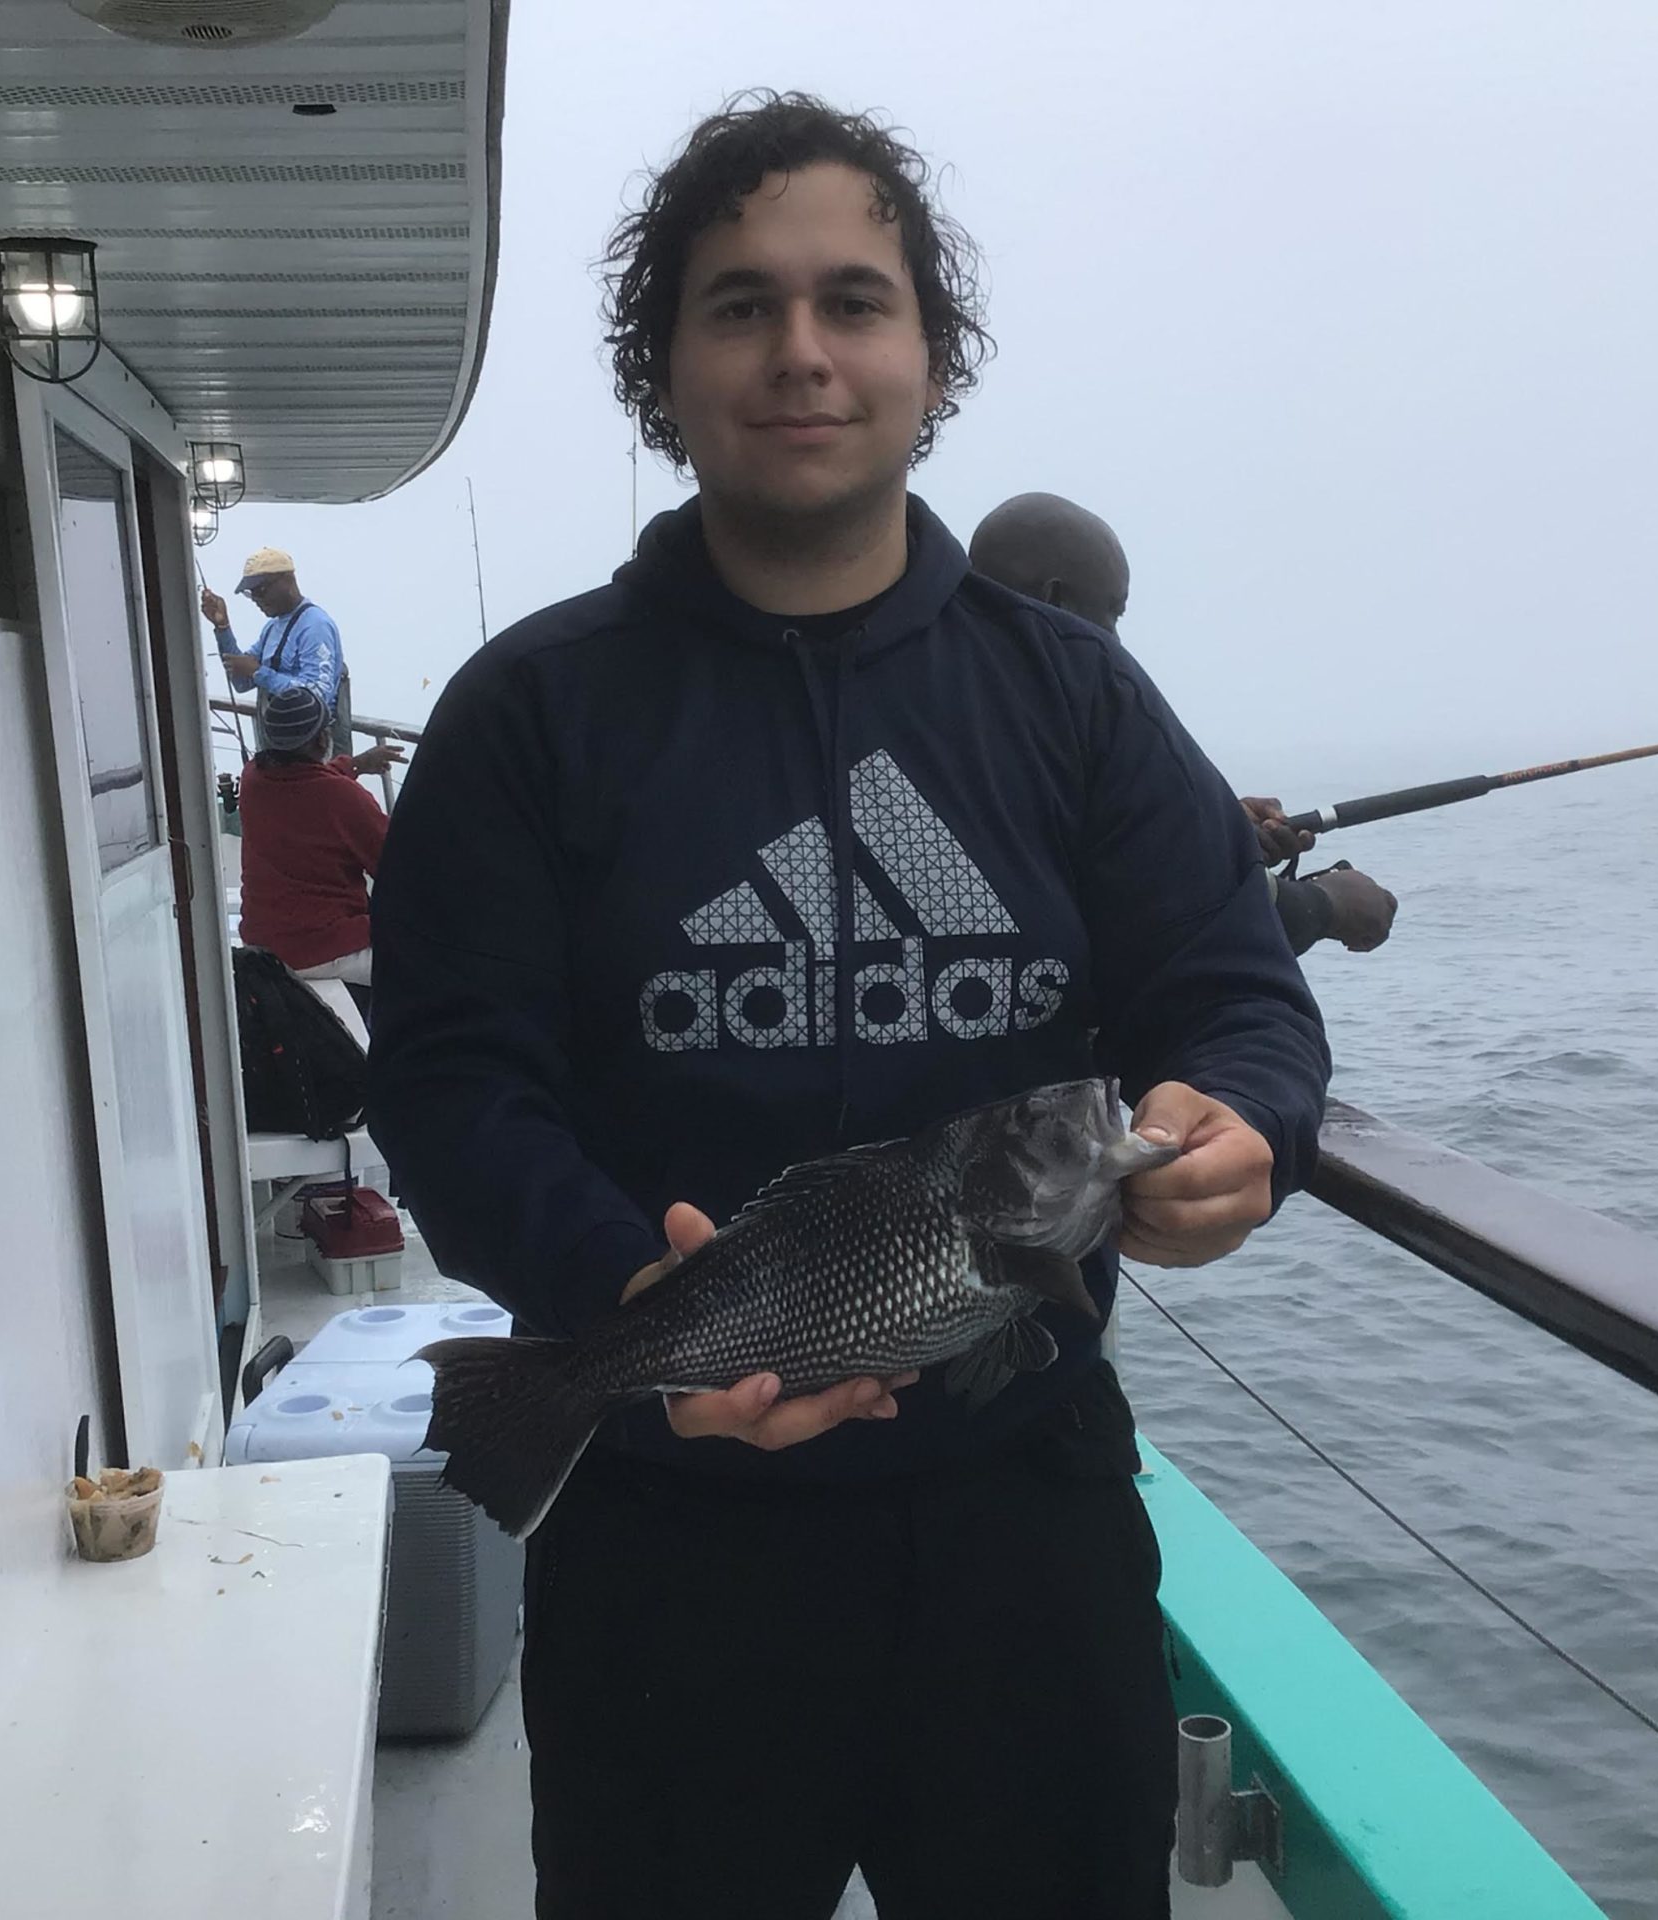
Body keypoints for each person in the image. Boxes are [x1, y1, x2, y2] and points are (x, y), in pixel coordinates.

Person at [370, 93, 1330, 1920]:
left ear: (928, 359)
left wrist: (1246, 1125)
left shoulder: (1073, 701)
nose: (800, 352)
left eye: (853, 303)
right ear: (665, 369)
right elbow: (449, 1080)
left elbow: (1235, 996)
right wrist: (613, 1287)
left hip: (1024, 1516)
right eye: (741, 305)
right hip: (665, 1542)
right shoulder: (530, 715)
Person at [969, 491, 1399, 957]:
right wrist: (1329, 903)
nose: (1115, 643)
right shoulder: (1036, 740)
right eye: (1112, 612)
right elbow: (1172, 913)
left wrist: (1212, 826)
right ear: (1054, 601)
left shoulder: (957, 718)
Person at [237, 683, 394, 996]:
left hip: (262, 940)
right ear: (323, 738)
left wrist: (354, 765)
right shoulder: (343, 798)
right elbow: (399, 867)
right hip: (321, 947)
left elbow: (305, 785)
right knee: (437, 962)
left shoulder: (252, 778)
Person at [200, 545, 368, 760]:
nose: (256, 599)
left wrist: (259, 672)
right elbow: (242, 682)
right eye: (250, 593)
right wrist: (223, 627)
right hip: (281, 751)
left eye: (261, 590)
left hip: (314, 753)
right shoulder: (272, 628)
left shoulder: (315, 626)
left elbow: (318, 696)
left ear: (288, 580)